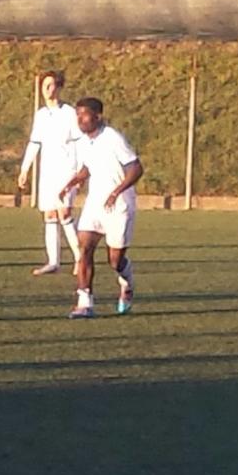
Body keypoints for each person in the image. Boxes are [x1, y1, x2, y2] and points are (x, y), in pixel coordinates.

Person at [60, 97, 144, 318]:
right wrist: (73, 182)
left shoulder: (113, 138)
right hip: (95, 203)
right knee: (84, 248)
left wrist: (116, 192)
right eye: (77, 115)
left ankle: (127, 282)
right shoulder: (84, 141)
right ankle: (84, 303)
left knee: (115, 261)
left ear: (98, 116)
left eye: (84, 114)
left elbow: (136, 168)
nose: (80, 119)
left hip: (119, 204)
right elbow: (89, 166)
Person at [17, 70, 82, 276]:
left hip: (67, 169)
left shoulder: (69, 113)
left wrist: (80, 172)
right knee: (50, 214)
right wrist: (25, 169)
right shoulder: (41, 115)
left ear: (59, 87)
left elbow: (79, 142)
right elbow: (35, 143)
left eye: (51, 84)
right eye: (44, 85)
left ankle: (80, 258)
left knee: (64, 213)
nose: (47, 89)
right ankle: (53, 262)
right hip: (48, 171)